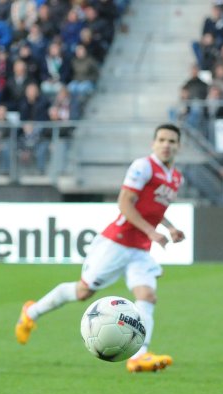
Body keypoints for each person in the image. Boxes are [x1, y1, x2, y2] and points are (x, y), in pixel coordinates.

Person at [15, 124, 185, 373]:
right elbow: (125, 203)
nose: (166, 144)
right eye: (161, 139)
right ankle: (32, 311)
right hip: (117, 241)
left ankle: (140, 355)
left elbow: (154, 209)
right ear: (153, 143)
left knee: (147, 296)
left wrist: (169, 227)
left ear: (178, 146)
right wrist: (151, 231)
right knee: (83, 291)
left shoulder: (176, 177)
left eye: (171, 141)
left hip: (140, 248)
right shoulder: (143, 166)